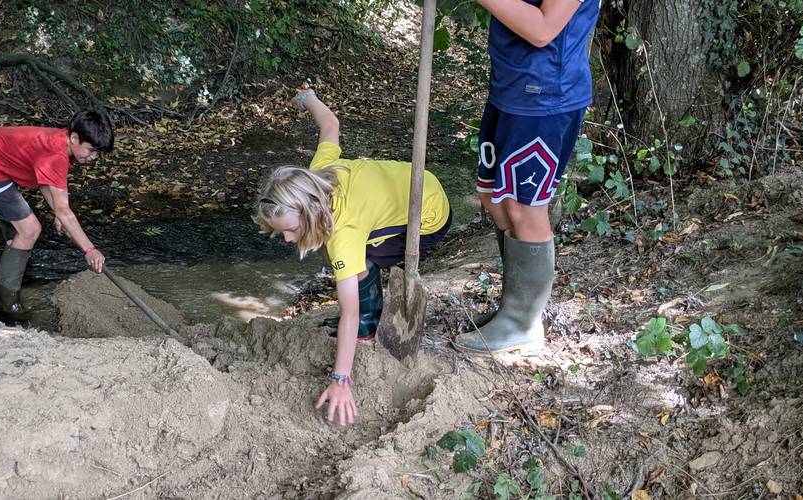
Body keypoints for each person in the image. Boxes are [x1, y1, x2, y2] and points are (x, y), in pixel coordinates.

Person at [255, 89, 451, 426]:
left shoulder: (344, 233)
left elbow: (348, 311)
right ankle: (367, 297)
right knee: (335, 251)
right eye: (280, 233)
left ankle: (369, 325)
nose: (287, 239)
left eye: (289, 229)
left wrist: (341, 378)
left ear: (312, 209)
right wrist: (308, 99)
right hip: (419, 184)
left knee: (347, 259)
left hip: (428, 216)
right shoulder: (320, 173)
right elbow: (330, 124)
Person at [453, 0, 601, 354]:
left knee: (524, 207)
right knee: (493, 195)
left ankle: (523, 324)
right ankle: (513, 304)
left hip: (547, 96)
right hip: (510, 89)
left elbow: (542, 29)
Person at [0, 109, 113, 319]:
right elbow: (64, 210)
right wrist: (89, 249)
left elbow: (46, 181)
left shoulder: (62, 143)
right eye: (91, 150)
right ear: (75, 137)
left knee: (24, 227)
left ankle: (14, 251)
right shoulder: (56, 154)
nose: (94, 157)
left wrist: (58, 213)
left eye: (98, 153)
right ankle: (7, 301)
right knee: (30, 229)